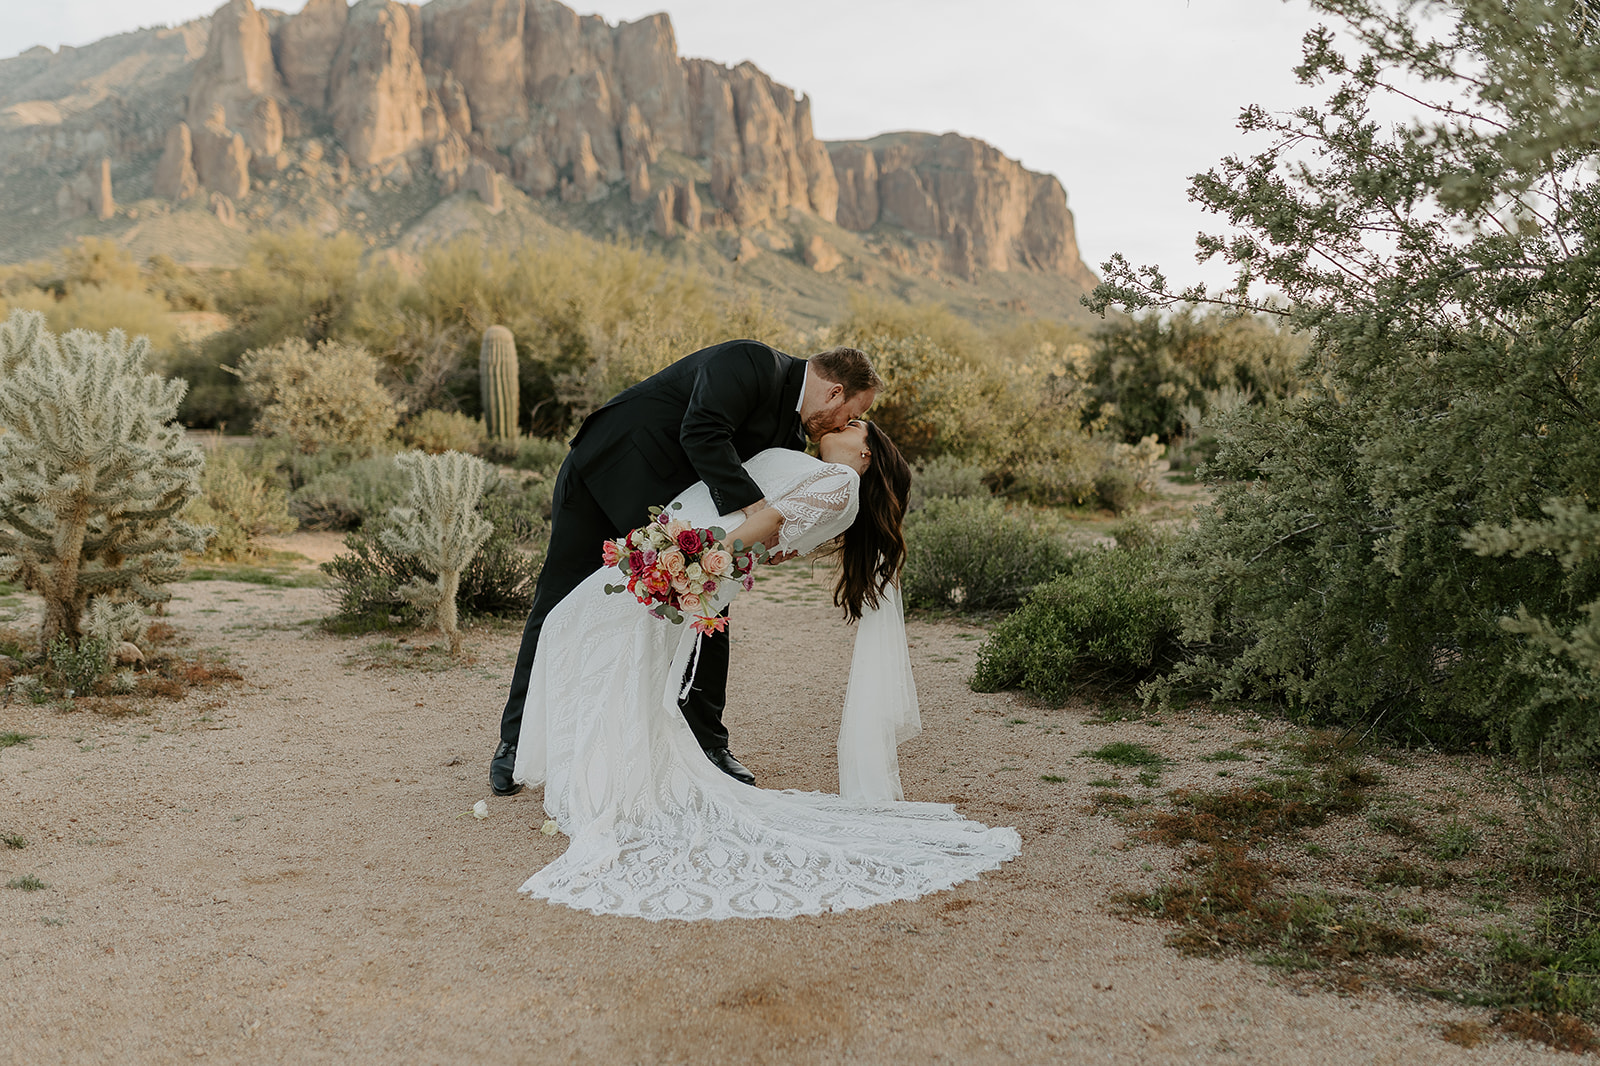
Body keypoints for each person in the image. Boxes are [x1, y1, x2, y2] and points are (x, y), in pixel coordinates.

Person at [511, 422, 1020, 920]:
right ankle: (602, 766)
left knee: (578, 629)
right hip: (691, 564)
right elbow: (776, 552)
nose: (847, 423)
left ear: (866, 456)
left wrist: (688, 562)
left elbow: (771, 526)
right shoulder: (832, 492)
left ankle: (600, 773)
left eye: (858, 426)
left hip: (687, 560)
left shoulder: (843, 482)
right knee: (607, 648)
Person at [491, 341, 882, 797]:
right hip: (604, 474)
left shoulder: (792, 436)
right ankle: (514, 744)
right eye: (849, 413)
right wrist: (757, 511)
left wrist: (775, 540)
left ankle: (709, 745)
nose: (842, 425)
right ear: (834, 392)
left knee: (710, 608)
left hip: (670, 514)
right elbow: (701, 432)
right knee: (555, 600)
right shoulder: (750, 362)